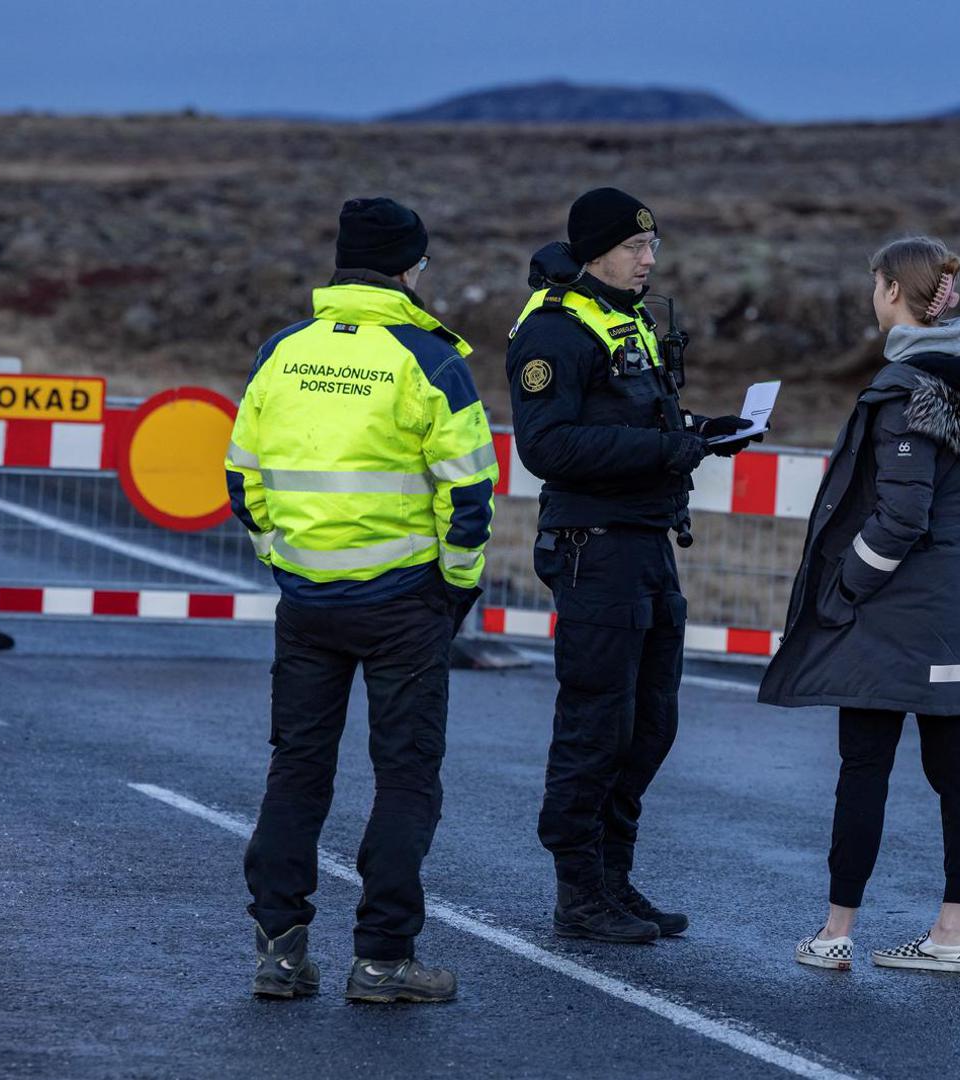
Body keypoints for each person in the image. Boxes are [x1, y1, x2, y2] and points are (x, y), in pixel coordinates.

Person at [224, 196, 498, 1002]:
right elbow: (471, 490)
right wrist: (454, 585)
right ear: (411, 269)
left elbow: (243, 475)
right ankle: (382, 959)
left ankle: (280, 950)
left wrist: (284, 558)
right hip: (404, 605)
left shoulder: (284, 351)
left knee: (297, 771)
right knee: (405, 778)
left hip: (307, 602)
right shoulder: (430, 358)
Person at [757, 235, 960, 975]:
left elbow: (899, 519)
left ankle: (835, 932)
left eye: (875, 282)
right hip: (959, 613)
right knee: (957, 769)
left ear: (890, 293)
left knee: (864, 767)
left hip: (888, 621)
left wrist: (849, 583)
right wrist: (959, 567)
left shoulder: (906, 391)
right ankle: (953, 935)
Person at [506, 187, 757, 943]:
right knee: (597, 723)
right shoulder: (554, 331)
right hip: (594, 548)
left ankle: (614, 879)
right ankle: (578, 892)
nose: (650, 259)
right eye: (635, 247)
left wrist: (702, 431)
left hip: (645, 542)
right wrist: (662, 450)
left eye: (652, 246)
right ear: (595, 253)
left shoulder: (627, 319)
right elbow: (546, 448)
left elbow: (632, 419)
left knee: (650, 724)